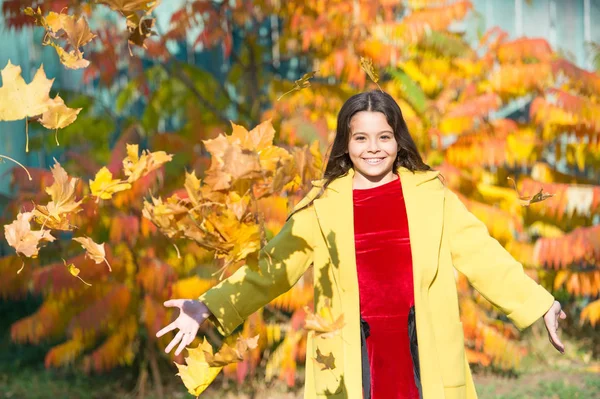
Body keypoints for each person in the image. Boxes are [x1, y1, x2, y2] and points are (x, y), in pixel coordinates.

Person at [156, 90, 566, 399]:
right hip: (355, 356)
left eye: (384, 137)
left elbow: (482, 253)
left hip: (422, 349)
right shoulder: (322, 203)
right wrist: (210, 303)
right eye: (361, 138)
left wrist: (539, 302)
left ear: (398, 140)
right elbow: (273, 267)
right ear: (346, 144)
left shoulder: (430, 194)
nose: (373, 148)